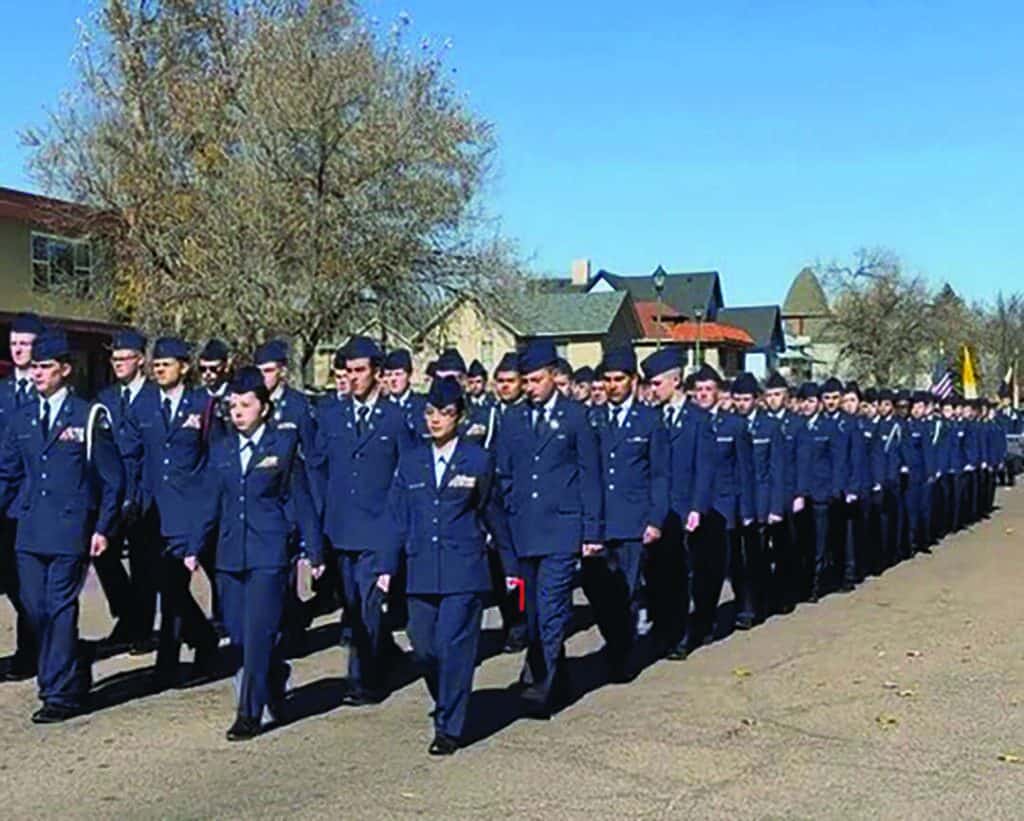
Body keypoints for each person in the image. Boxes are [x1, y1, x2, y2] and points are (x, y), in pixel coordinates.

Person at [188, 367, 324, 740]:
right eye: (233, 405)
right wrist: (194, 546)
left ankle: (248, 714)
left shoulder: (282, 447)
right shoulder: (222, 449)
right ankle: (275, 673)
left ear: (263, 408)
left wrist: (314, 551)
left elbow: (302, 500)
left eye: (246, 405)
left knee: (259, 633)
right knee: (239, 634)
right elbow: (210, 501)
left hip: (269, 552)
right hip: (230, 553)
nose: (238, 412)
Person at [383, 377, 512, 755]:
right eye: (430, 412)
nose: (436, 420)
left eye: (445, 413)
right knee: (424, 650)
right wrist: (386, 568)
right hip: (421, 569)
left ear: (459, 417)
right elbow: (396, 517)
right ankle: (448, 697)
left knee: (454, 647)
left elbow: (492, 512)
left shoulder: (478, 460)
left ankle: (449, 727)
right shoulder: (411, 460)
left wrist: (511, 566)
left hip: (463, 570)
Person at [0, 328, 124, 721]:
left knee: (59, 608)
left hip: (71, 530)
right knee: (34, 611)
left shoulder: (87, 416)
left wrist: (103, 527)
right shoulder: (21, 417)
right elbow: (8, 472)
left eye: (45, 366)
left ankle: (58, 693)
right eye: (33, 366)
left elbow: (112, 478)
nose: (37, 373)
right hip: (30, 529)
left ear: (65, 370)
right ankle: (75, 659)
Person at [496, 339, 602, 718]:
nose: (530, 387)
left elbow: (590, 475)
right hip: (525, 528)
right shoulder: (513, 418)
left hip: (562, 527)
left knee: (553, 605)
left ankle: (544, 682)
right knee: (534, 612)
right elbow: (504, 474)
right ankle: (557, 671)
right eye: (525, 381)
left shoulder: (575, 417)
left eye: (537, 379)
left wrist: (591, 531)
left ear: (554, 377)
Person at [310, 336, 415, 704]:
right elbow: (318, 468)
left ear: (377, 373)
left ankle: (364, 680)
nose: (353, 378)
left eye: (360, 371)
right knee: (352, 605)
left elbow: (406, 475)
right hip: (341, 526)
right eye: (348, 371)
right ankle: (385, 655)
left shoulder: (397, 418)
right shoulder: (331, 414)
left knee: (368, 607)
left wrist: (398, 528)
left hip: (378, 528)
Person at [120, 337, 219, 686]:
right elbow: (131, 457)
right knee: (167, 586)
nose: (159, 369)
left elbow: (214, 458)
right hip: (153, 513)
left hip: (191, 512)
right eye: (156, 365)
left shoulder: (204, 405)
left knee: (174, 586)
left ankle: (193, 648)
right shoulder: (142, 407)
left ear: (185, 367)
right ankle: (191, 646)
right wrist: (130, 500)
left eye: (166, 364)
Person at [587, 346, 668, 680]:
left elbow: (661, 473)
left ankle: (622, 652)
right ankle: (616, 638)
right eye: (606, 380)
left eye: (619, 379)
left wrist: (655, 520)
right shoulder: (592, 418)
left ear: (633, 381)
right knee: (598, 591)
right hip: (599, 520)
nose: (612, 385)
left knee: (627, 591)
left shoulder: (649, 420)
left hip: (634, 521)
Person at [642, 347, 710, 659]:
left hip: (683, 509)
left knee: (682, 573)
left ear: (675, 381)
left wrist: (697, 507)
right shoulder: (651, 418)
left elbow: (704, 468)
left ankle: (682, 633)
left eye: (657, 384)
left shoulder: (698, 419)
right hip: (657, 510)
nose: (652, 390)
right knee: (656, 574)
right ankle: (662, 629)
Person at [94, 329, 159, 653]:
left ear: (140, 360)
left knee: (144, 563)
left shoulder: (154, 397)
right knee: (103, 554)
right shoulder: (106, 399)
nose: (118, 364)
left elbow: (155, 453)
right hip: (112, 491)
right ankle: (127, 613)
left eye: (124, 359)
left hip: (145, 492)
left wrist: (142, 496)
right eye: (114, 359)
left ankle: (142, 628)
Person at [689, 364, 754, 647]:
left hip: (725, 504)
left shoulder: (734, 425)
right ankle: (702, 617)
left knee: (728, 563)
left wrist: (747, 510)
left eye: (708, 390)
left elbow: (745, 470)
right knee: (698, 566)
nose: (703, 395)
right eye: (699, 390)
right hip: (695, 506)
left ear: (718, 393)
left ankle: (742, 607)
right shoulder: (686, 422)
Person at [0, 312, 44, 680]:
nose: (18, 350)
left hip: (34, 502)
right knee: (11, 580)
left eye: (25, 344)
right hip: (3, 501)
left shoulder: (51, 392)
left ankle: (32, 650)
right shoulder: (2, 392)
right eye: (14, 343)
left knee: (27, 583)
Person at [731, 372, 784, 628]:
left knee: (757, 557)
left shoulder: (769, 426)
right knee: (735, 560)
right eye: (737, 399)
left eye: (746, 399)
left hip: (761, 502)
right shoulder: (728, 425)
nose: (742, 404)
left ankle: (755, 606)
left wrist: (775, 507)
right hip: (736, 502)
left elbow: (776, 470)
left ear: (756, 399)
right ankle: (742, 602)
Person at [794, 381, 846, 600]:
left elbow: (837, 461)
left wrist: (836, 488)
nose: (807, 405)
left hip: (821, 492)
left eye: (812, 401)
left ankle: (817, 584)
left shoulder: (829, 427)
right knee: (802, 539)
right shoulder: (795, 426)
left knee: (820, 541)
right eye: (804, 401)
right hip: (799, 493)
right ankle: (803, 581)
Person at [384, 348, 426, 438]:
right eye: (389, 375)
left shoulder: (422, 405)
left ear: (409, 375)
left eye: (398, 374)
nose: (393, 379)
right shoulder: (380, 406)